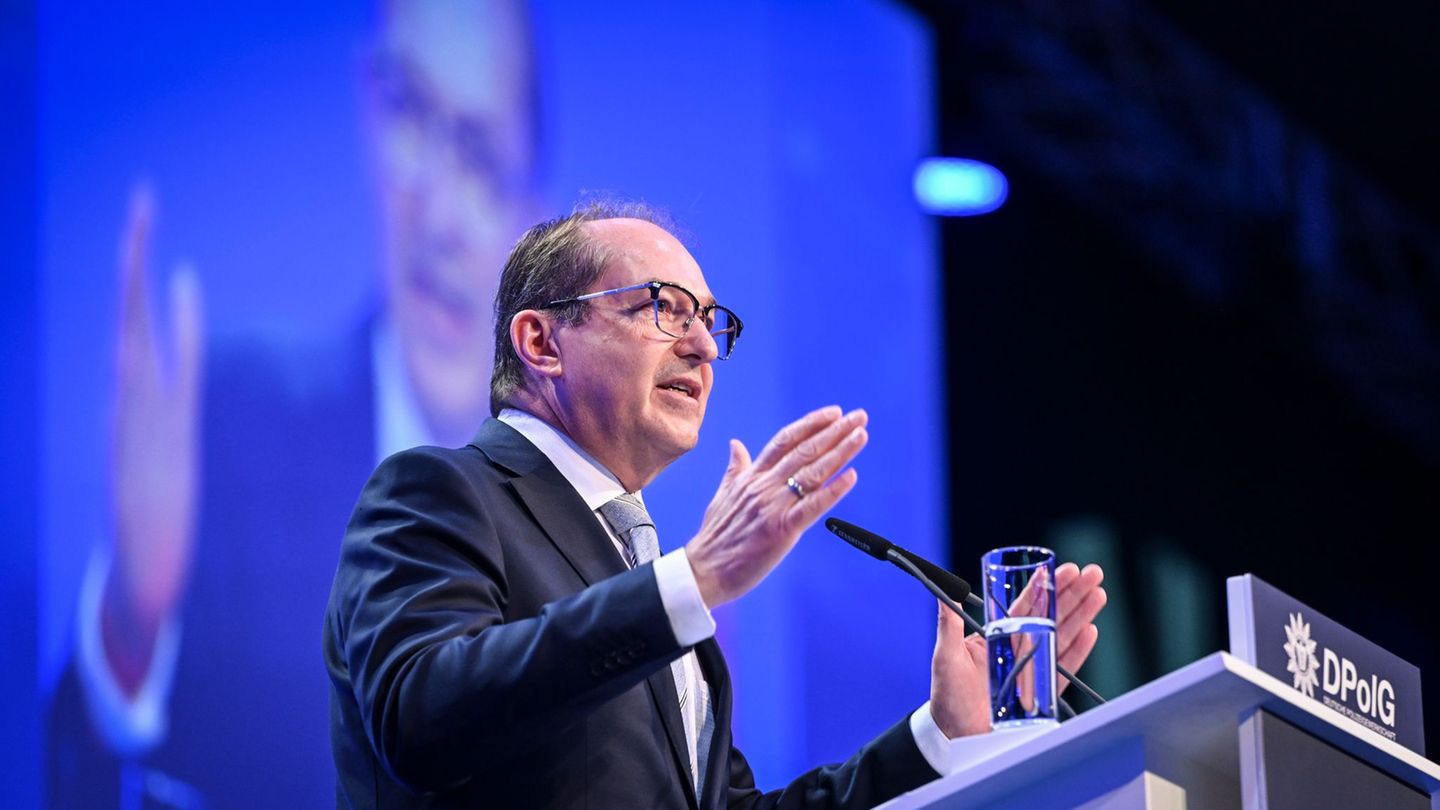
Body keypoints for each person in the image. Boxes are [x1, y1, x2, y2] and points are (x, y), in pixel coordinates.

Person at [324, 203, 1108, 808]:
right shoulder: (437, 492)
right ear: (541, 342)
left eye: (709, 320)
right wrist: (692, 580)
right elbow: (419, 718)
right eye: (663, 307)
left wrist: (941, 736)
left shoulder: (650, 585)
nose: (702, 346)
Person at [48, 3, 542, 807]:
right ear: (369, 116)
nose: (439, 214)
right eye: (409, 115)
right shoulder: (231, 437)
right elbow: (66, 777)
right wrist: (131, 627)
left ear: (538, 219)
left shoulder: (590, 547)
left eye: (481, 156)